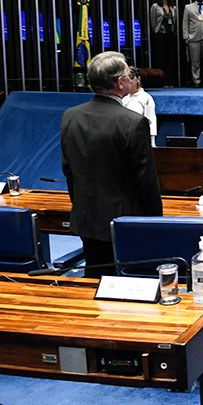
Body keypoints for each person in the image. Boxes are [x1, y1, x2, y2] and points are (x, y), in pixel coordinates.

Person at [60, 51, 162, 277]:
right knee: (128, 282)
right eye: (128, 75)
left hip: (86, 218)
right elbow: (145, 179)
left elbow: (68, 170)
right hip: (124, 222)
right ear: (119, 83)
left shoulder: (70, 116)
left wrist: (82, 206)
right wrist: (155, 221)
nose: (130, 79)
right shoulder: (132, 122)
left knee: (94, 279)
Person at [149, 0, 179, 85]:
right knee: (161, 57)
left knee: (171, 58)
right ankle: (162, 81)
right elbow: (153, 21)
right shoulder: (155, 6)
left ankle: (171, 81)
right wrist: (156, 31)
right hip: (160, 34)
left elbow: (175, 21)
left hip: (170, 34)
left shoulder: (173, 7)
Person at [122, 66, 157, 146]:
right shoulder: (121, 96)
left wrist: (151, 144)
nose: (129, 80)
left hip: (138, 137)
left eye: (131, 77)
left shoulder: (146, 98)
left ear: (138, 79)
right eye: (126, 77)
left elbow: (151, 122)